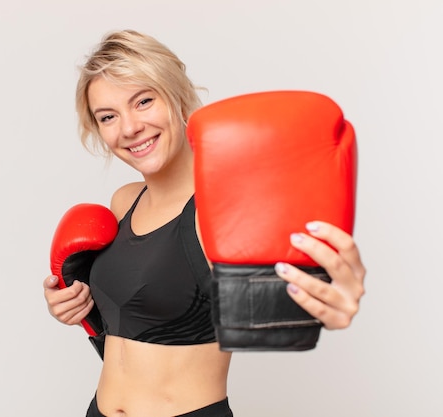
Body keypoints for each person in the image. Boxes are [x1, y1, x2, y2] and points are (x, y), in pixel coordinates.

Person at [42, 29, 366, 417]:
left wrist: (335, 294)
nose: (128, 128)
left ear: (177, 97)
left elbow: (292, 294)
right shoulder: (124, 202)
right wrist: (75, 303)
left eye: (143, 101)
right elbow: (139, 315)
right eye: (108, 117)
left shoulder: (225, 206)